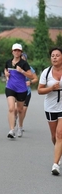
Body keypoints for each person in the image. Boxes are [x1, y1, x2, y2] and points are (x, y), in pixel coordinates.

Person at [37, 47, 62, 175]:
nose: (55, 57)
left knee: (60, 134)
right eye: (53, 55)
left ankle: (55, 165)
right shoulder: (46, 72)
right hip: (51, 105)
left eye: (57, 55)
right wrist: (51, 88)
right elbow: (39, 90)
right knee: (54, 136)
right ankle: (59, 152)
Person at [4, 43, 33, 138]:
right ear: (12, 51)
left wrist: (22, 71)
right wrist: (6, 74)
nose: (17, 52)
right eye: (15, 50)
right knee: (11, 108)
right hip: (10, 87)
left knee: (20, 110)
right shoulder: (8, 62)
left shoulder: (24, 63)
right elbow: (5, 70)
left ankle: (20, 126)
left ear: (21, 52)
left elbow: (31, 76)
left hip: (21, 89)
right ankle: (12, 130)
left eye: (18, 51)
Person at [14, 53, 38, 132]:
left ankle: (20, 125)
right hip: (16, 91)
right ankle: (14, 119)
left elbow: (35, 79)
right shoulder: (14, 67)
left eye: (24, 59)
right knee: (15, 109)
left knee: (23, 110)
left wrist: (30, 82)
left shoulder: (30, 68)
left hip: (26, 92)